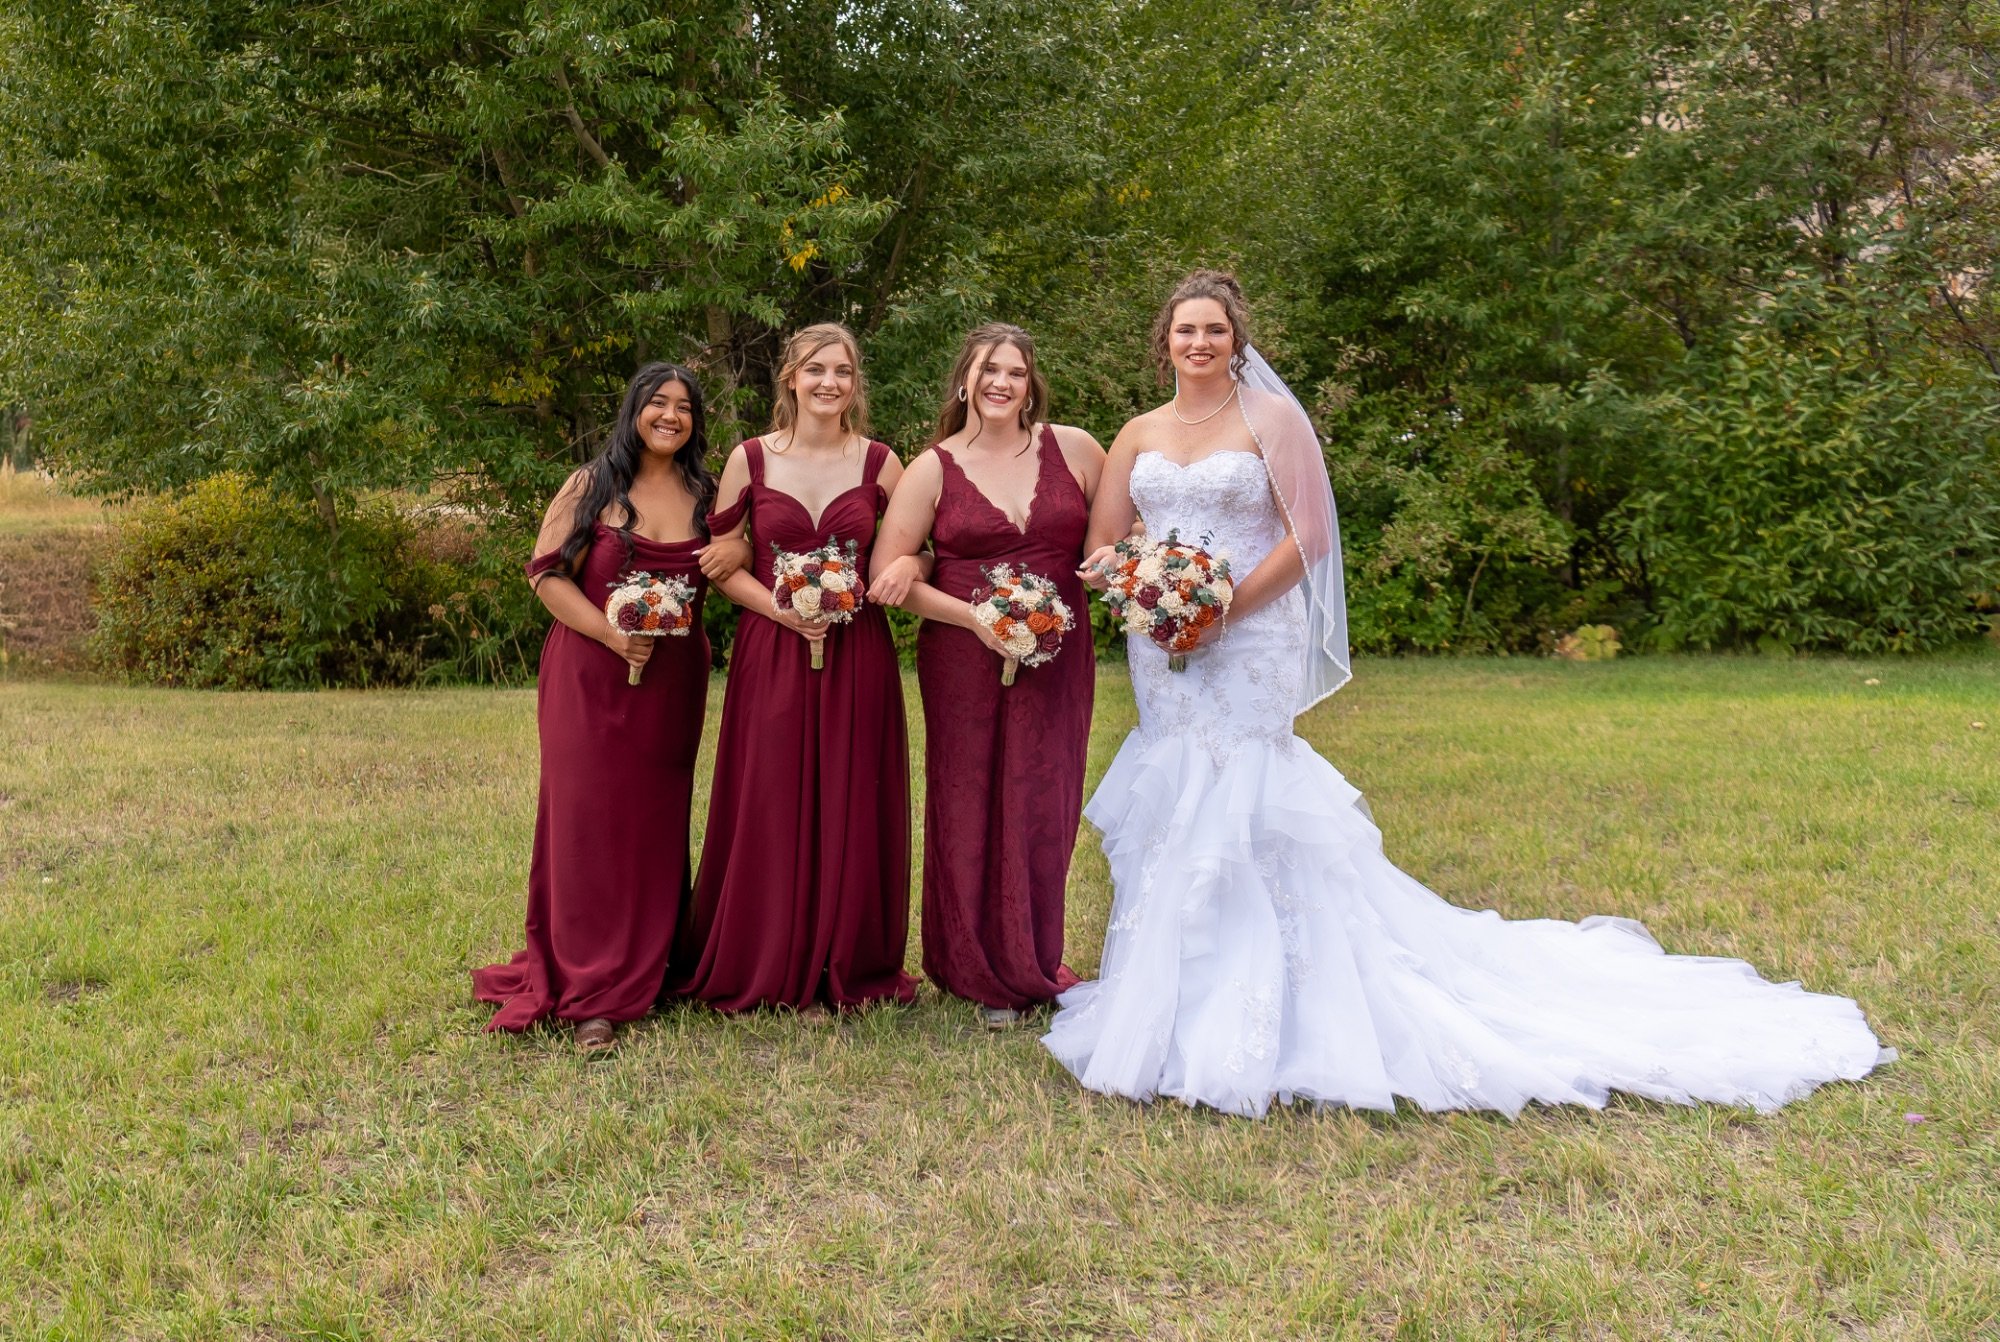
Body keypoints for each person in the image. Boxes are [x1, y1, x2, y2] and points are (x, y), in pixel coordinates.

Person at [1042, 270, 1893, 1116]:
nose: (1199, 343)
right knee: (1177, 791)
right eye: (1186, 330)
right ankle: (1170, 1001)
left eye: (1215, 330)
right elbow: (1105, 545)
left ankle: (1277, 1002)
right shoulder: (1139, 431)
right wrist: (1147, 593)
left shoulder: (1272, 419)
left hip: (1251, 636)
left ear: (1237, 340)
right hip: (1164, 647)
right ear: (1164, 342)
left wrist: (1221, 610)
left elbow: (1310, 537)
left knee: (1245, 787)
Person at [473, 362, 728, 1052]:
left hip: (673, 682)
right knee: (587, 820)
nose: (670, 416)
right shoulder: (592, 485)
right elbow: (547, 576)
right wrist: (613, 636)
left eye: (684, 407)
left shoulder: (708, 495)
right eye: (658, 403)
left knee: (653, 821)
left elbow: (739, 563)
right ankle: (590, 988)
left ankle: (651, 962)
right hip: (589, 673)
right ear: (633, 410)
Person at [672, 323, 921, 1014]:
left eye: (842, 371)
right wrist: (780, 610)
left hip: (856, 651)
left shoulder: (882, 463)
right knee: (770, 794)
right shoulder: (749, 459)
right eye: (815, 370)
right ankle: (766, 955)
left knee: (852, 792)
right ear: (791, 377)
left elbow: (924, 549)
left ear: (855, 382)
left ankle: (846, 958)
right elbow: (722, 560)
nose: (828, 383)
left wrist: (908, 564)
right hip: (772, 648)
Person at [872, 323, 1105, 1028]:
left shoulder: (1077, 449)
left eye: (1016, 371)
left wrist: (1129, 567)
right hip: (962, 657)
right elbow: (889, 577)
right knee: (967, 798)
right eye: (988, 370)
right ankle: (975, 971)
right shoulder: (933, 468)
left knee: (1045, 797)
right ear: (964, 382)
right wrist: (977, 619)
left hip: (1057, 655)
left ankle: (1034, 958)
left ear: (1032, 384)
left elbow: (1116, 539)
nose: (1002, 382)